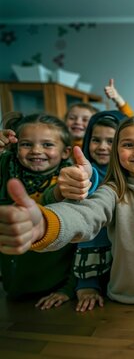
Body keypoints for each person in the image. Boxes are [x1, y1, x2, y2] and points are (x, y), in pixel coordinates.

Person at [0, 116, 134, 305]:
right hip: (122, 298)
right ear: (116, 152)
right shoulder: (112, 191)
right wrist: (45, 223)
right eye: (128, 145)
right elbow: (86, 214)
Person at [0, 113, 76, 309]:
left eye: (47, 145)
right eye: (26, 144)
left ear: (66, 152)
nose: (36, 151)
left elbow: (81, 244)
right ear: (15, 148)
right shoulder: (6, 167)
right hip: (13, 287)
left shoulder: (70, 179)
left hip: (55, 287)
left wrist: (69, 289)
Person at [55, 111, 125, 312]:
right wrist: (86, 284)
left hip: (123, 261)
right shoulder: (87, 172)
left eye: (110, 141)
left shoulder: (129, 173)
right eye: (96, 140)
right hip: (92, 260)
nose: (102, 147)